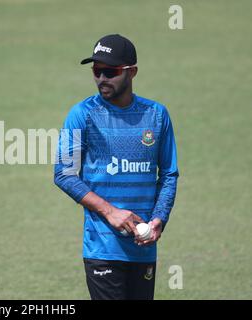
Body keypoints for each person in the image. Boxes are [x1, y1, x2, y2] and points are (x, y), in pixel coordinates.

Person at [54, 34, 179, 300]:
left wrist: (159, 220)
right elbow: (63, 174)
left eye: (109, 71)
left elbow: (168, 174)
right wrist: (111, 212)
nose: (102, 78)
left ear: (131, 72)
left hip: (143, 247)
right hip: (102, 247)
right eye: (97, 71)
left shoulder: (157, 115)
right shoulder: (81, 115)